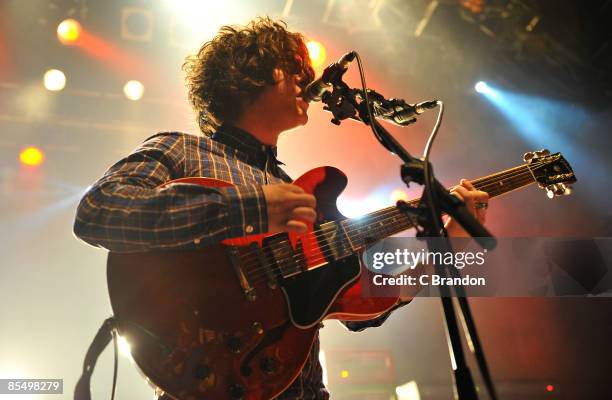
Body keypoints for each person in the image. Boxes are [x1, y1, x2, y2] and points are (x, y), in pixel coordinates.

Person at [73, 17, 489, 400]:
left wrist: (444, 243)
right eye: (292, 70)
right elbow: (100, 211)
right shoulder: (181, 149)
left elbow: (358, 308)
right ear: (247, 74)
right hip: (212, 370)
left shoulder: (295, 192)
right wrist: (249, 209)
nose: (306, 81)